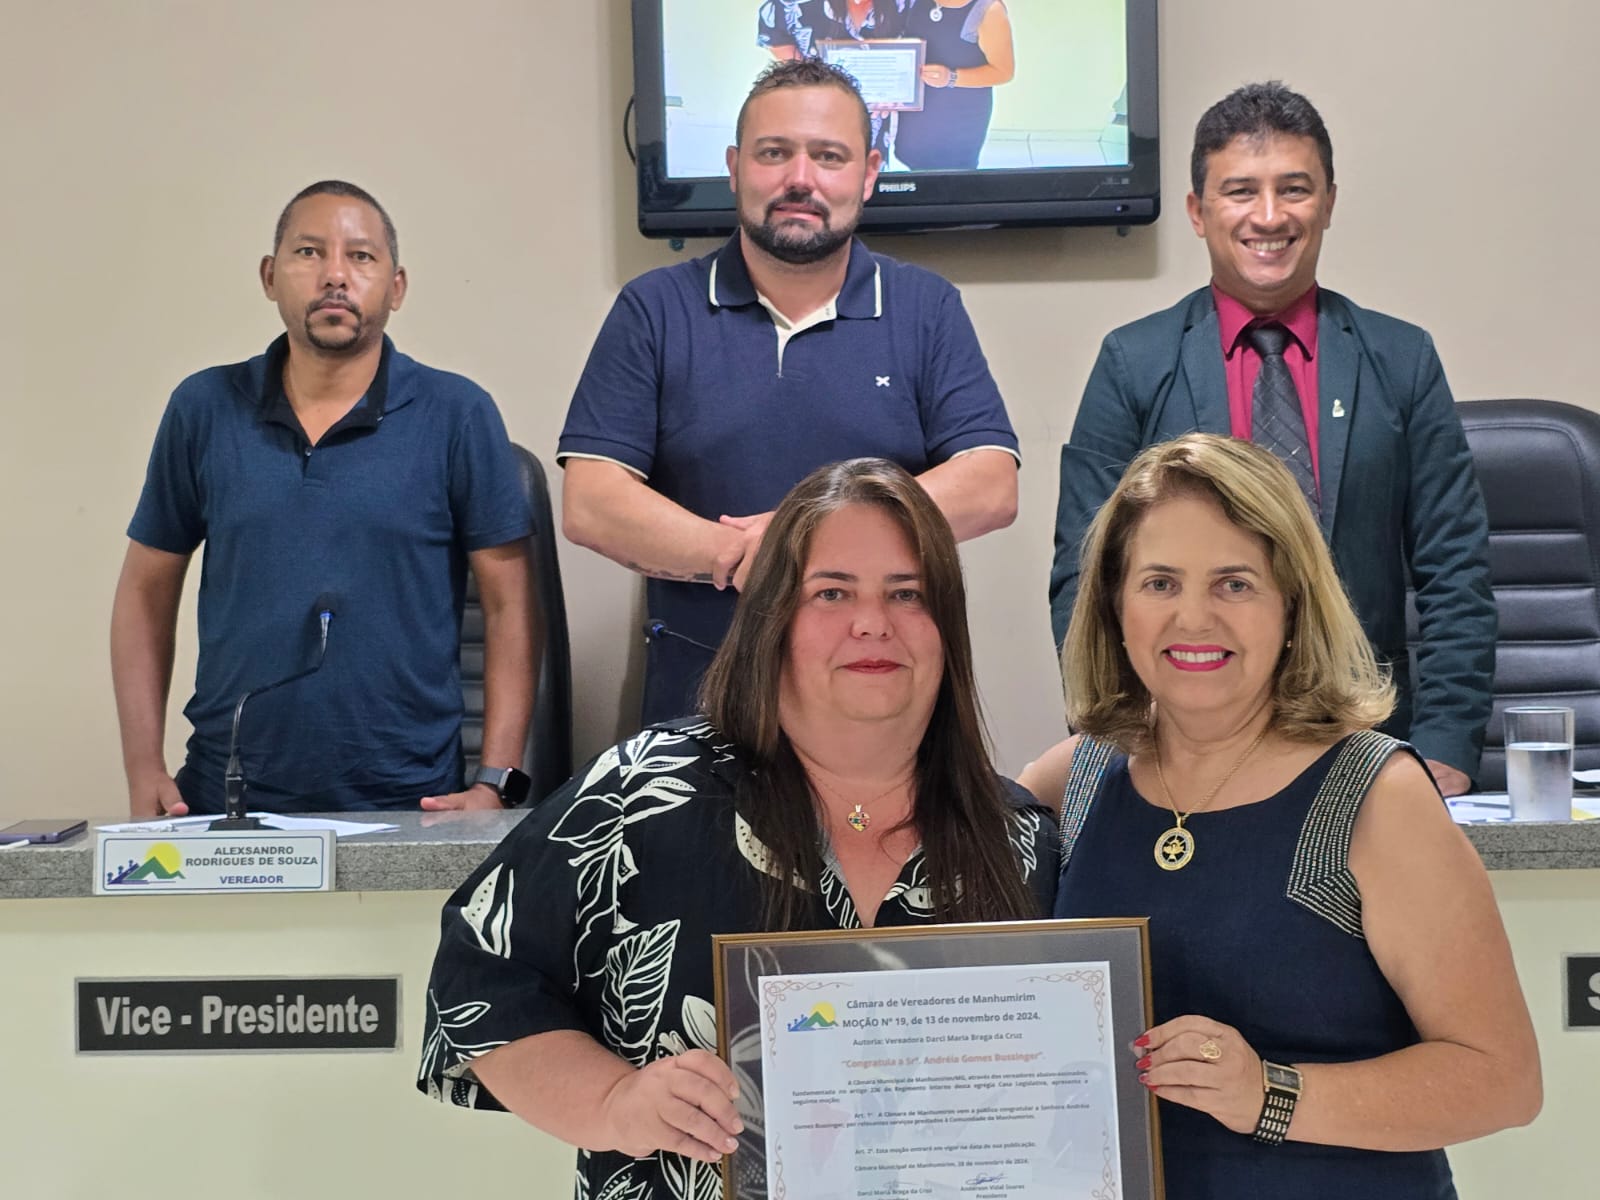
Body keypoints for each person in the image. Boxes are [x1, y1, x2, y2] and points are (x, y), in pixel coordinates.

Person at [419, 458, 1056, 1199]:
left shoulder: (1021, 842)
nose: (872, 622)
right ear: (772, 620)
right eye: (832, 592)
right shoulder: (643, 795)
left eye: (907, 594)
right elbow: (480, 984)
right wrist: (612, 1105)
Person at [1023, 434, 1539, 1199]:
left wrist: (1270, 1094)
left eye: (1234, 584)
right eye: (1160, 582)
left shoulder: (1378, 794)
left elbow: (1503, 1081)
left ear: (1292, 605)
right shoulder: (1075, 778)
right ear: (1114, 605)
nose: (1193, 618)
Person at [1048, 81, 1495, 796]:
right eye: (1239, 191)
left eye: (1293, 189)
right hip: (1184, 751)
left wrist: (1443, 747)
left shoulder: (1401, 360)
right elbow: (1084, 575)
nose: (1268, 216)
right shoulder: (1134, 363)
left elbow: (1456, 573)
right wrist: (1127, 738)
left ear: (1328, 202)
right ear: (1198, 212)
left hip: (1370, 745)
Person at [561, 58, 1019, 727]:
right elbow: (592, 501)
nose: (799, 179)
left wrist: (806, 541)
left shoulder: (925, 307)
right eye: (774, 153)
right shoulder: (654, 309)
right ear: (735, 167)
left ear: (868, 173)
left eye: (828, 156)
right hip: (702, 705)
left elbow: (990, 485)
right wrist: (745, 556)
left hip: (884, 703)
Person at [111, 180, 536, 817]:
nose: (335, 275)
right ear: (269, 276)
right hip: (228, 798)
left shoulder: (458, 414)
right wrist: (142, 767)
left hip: (413, 800)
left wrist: (495, 781)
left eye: (361, 257)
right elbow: (145, 592)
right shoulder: (203, 409)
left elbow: (510, 607)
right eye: (309, 253)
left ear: (396, 287)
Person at [756, 0, 1016, 170]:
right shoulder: (791, 5)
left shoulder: (902, 3)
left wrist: (896, 91)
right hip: (818, 114)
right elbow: (783, 47)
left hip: (880, 118)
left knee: (873, 187)